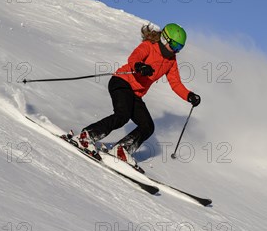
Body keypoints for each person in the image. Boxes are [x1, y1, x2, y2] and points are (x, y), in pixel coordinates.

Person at [79, 23, 201, 165]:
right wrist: (139, 66)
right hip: (122, 82)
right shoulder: (149, 46)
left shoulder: (171, 61)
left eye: (179, 48)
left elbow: (175, 83)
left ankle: (121, 150)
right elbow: (134, 58)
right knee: (122, 115)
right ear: (165, 39)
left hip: (135, 94)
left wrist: (189, 96)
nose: (176, 51)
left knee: (148, 126)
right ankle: (86, 136)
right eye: (174, 46)